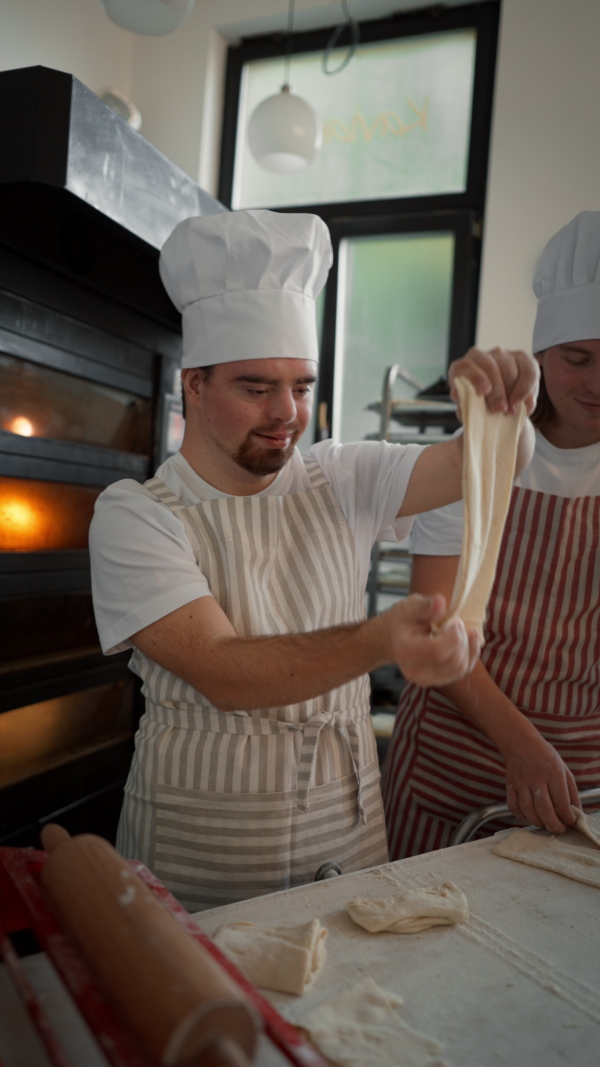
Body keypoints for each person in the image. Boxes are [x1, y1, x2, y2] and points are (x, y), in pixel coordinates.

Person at [89, 209, 537, 910]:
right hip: (203, 848)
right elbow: (225, 671)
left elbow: (483, 466)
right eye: (255, 386)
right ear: (194, 385)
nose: (286, 413)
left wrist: (499, 408)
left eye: (300, 385)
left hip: (346, 830)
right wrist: (381, 639)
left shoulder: (343, 476)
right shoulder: (137, 514)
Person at [382, 210, 600, 860]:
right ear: (541, 354)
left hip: (581, 771)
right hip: (454, 757)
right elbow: (429, 632)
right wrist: (521, 743)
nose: (596, 382)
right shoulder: (479, 454)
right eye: (578, 357)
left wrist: (550, 753)